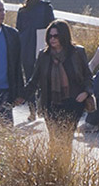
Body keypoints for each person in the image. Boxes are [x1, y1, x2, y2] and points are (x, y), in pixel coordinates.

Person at [23, 19, 93, 156]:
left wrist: (86, 92)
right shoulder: (44, 55)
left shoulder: (77, 52)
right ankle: (54, 171)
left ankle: (64, 171)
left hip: (73, 102)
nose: (52, 39)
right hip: (51, 103)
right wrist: (20, 96)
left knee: (66, 139)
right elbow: (35, 80)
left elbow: (88, 76)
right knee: (54, 139)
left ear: (64, 36)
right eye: (50, 36)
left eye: (56, 36)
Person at [15, 0, 56, 122]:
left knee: (30, 79)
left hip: (25, 47)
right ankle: (43, 108)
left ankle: (32, 111)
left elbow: (18, 29)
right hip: (42, 46)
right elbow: (52, 27)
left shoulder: (22, 10)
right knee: (44, 77)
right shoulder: (46, 8)